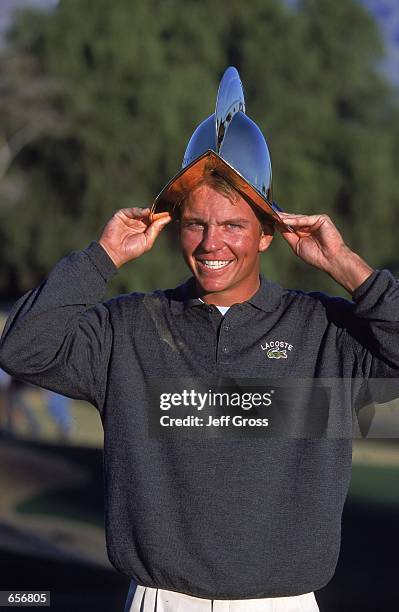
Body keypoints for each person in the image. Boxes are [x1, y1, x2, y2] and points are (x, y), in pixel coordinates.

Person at [0, 68, 398, 612]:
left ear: (267, 232)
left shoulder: (323, 331)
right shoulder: (131, 327)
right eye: (194, 223)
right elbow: (23, 347)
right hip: (160, 601)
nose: (212, 243)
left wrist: (350, 269)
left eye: (233, 225)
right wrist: (102, 258)